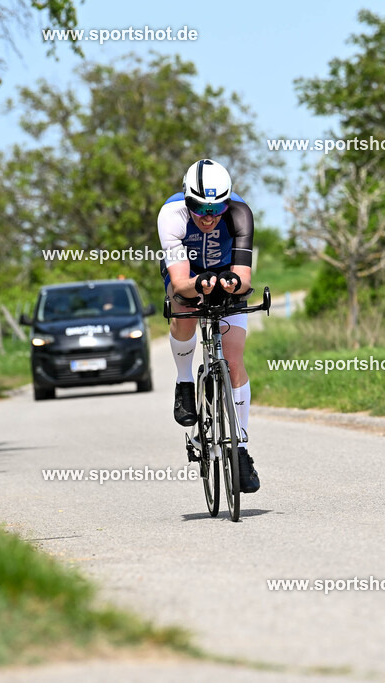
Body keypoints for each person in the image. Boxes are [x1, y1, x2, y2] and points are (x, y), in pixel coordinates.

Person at [157, 159, 259, 493]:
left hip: (225, 271)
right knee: (183, 310)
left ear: (229, 201)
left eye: (216, 208)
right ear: (187, 199)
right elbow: (180, 281)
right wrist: (199, 284)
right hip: (187, 274)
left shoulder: (241, 214)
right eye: (199, 207)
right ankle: (185, 381)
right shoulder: (171, 215)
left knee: (233, 359)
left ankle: (241, 448)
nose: (208, 216)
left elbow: (244, 279)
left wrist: (231, 283)